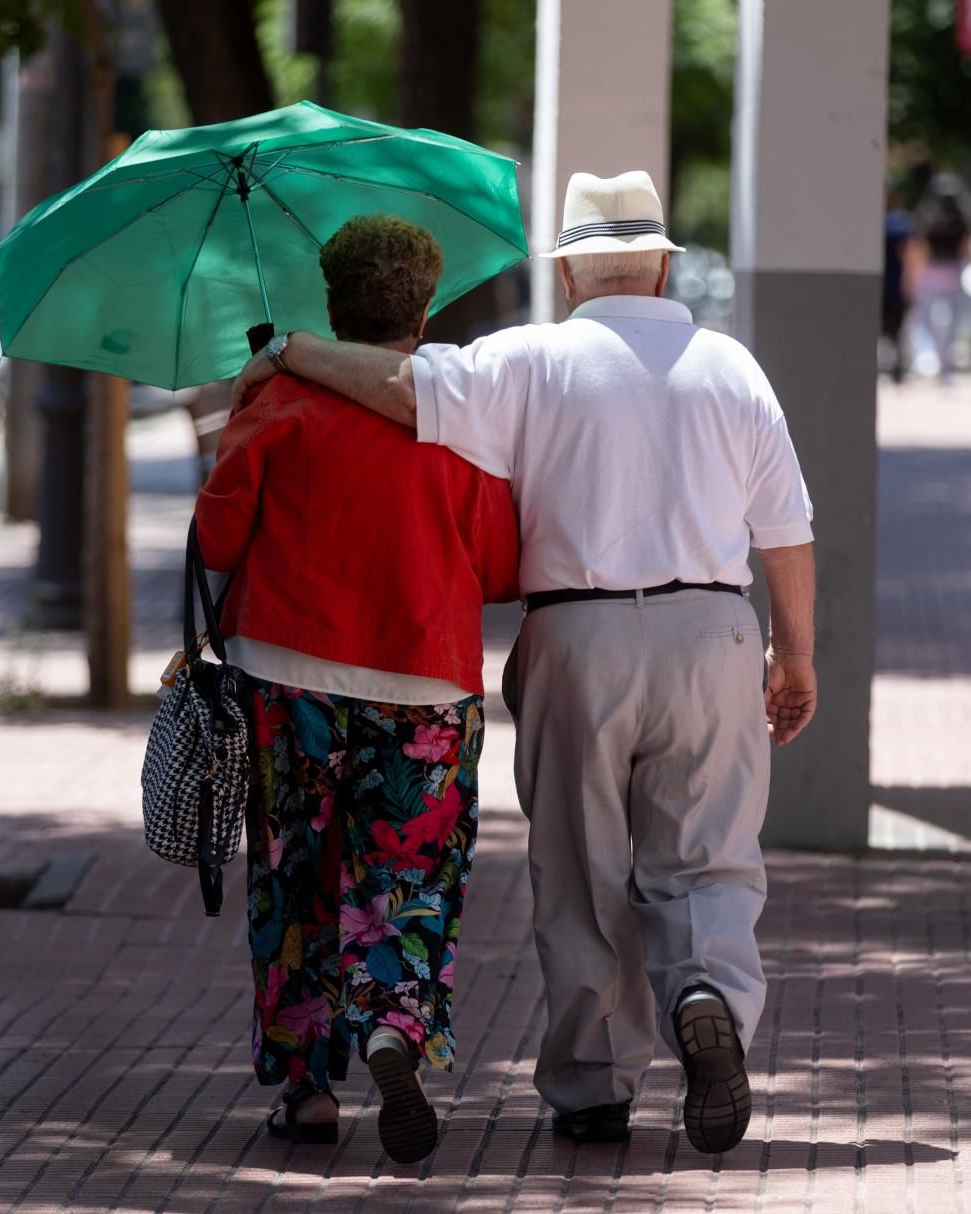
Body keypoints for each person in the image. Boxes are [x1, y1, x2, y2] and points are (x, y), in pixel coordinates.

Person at [232, 171, 818, 1155]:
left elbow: (396, 384)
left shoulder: (530, 359)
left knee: (583, 871)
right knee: (709, 853)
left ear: (565, 272)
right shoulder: (732, 367)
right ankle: (707, 987)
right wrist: (791, 650)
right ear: (665, 263)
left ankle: (593, 1086)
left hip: (576, 635)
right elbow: (787, 530)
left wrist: (287, 349)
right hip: (713, 629)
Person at [196, 214, 519, 1163]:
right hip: (424, 682)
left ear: (331, 305)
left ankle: (305, 1090)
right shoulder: (462, 420)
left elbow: (217, 542)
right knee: (409, 876)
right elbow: (499, 566)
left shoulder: (277, 403)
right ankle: (394, 1027)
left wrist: (241, 411)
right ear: (423, 309)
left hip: (287, 679)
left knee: (296, 877)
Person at [912, 172, 971, 384]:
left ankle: (935, 358)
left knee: (926, 320)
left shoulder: (927, 216)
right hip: (953, 273)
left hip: (931, 274)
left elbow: (919, 249)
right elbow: (968, 249)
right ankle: (945, 365)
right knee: (953, 323)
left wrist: (914, 276)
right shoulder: (962, 218)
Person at [882, 187, 915, 383]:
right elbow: (909, 254)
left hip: (889, 286)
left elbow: (908, 254)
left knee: (892, 330)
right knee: (897, 330)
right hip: (894, 286)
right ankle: (896, 365)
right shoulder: (900, 222)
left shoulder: (892, 222)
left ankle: (896, 365)